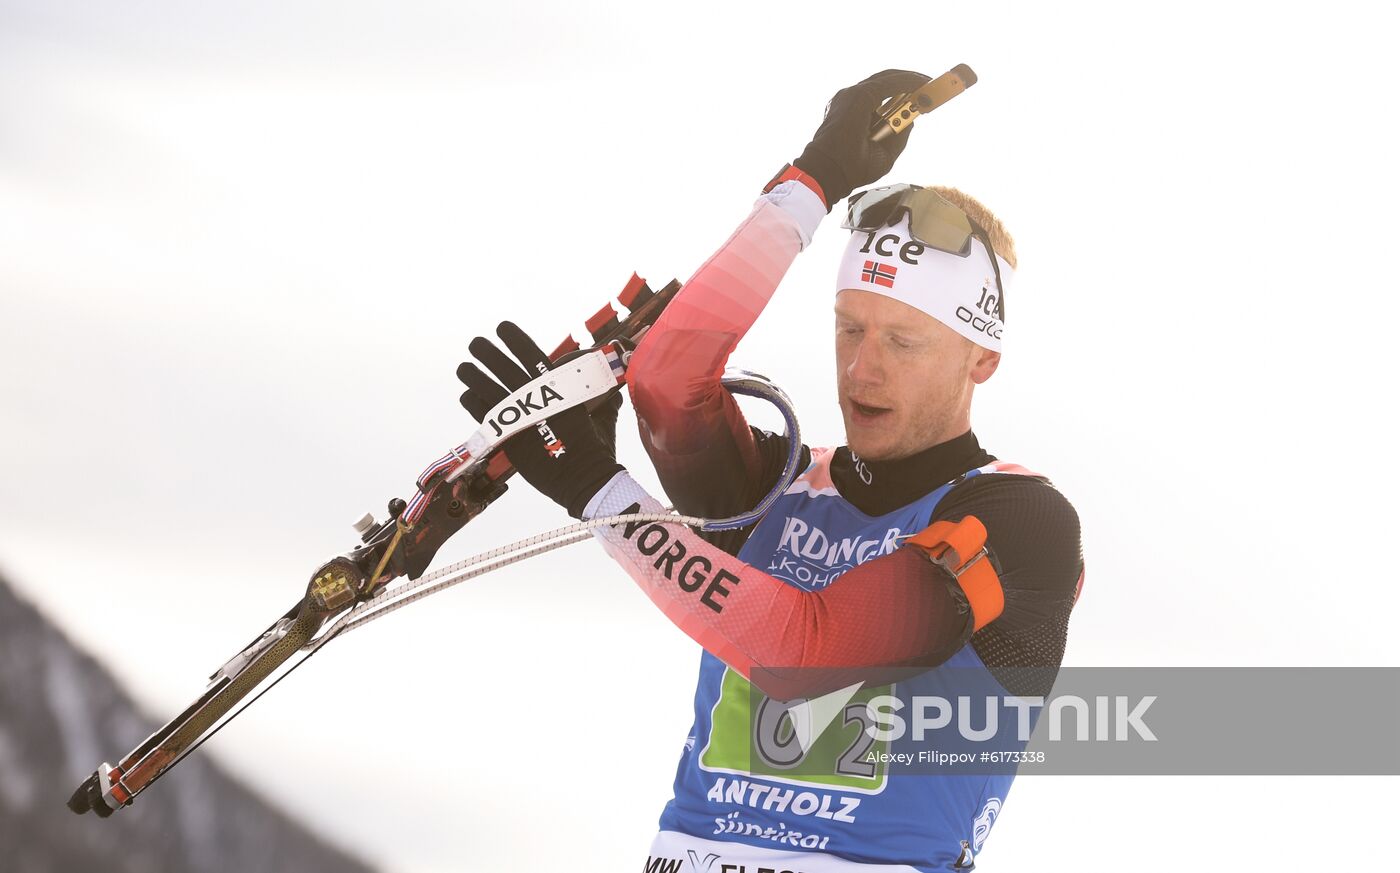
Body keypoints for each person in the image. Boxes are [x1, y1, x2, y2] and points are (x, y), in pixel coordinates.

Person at [458, 70, 1083, 872]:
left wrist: (600, 493)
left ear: (981, 357)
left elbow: (807, 652)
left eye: (904, 341)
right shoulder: (779, 486)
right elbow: (667, 377)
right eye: (849, 327)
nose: (862, 369)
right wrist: (813, 182)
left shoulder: (1023, 519)